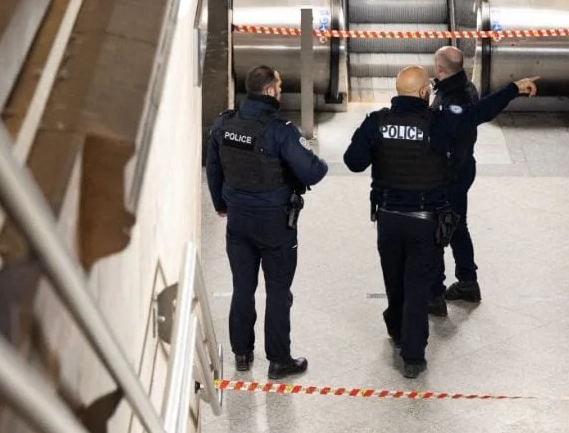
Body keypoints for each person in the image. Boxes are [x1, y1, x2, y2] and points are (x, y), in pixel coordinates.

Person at [343, 65, 537, 378]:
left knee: (394, 281)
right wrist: (514, 88)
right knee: (417, 286)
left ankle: (396, 326)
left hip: (389, 219)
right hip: (425, 221)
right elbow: (478, 112)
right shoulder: (439, 122)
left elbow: (353, 163)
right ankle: (413, 357)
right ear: (423, 92)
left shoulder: (376, 123)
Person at [206, 65, 329, 380]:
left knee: (242, 287)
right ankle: (278, 360)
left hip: (238, 221)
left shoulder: (223, 123)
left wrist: (221, 205)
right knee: (277, 289)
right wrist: (318, 158)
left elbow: (213, 168)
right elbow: (313, 172)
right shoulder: (280, 130)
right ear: (272, 90)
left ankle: (242, 354)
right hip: (275, 222)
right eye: (278, 84)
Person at [427, 46, 482, 317]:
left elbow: (448, 140)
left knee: (438, 228)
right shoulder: (468, 88)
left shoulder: (450, 99)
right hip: (464, 168)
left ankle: (435, 294)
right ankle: (468, 281)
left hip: (449, 173)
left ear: (440, 69)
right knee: (458, 224)